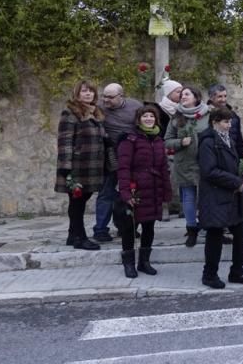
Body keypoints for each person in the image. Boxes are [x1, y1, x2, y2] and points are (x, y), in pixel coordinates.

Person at [196, 107, 243, 289]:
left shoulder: (227, 139)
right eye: (225, 122)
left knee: (240, 234)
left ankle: (237, 271)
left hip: (232, 196)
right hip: (215, 196)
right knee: (215, 236)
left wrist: (242, 174)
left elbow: (234, 162)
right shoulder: (208, 142)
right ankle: (210, 275)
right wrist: (236, 182)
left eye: (230, 122)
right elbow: (210, 171)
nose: (228, 126)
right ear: (214, 122)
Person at [56, 80, 113, 251]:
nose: (88, 94)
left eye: (91, 91)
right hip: (77, 166)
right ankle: (80, 238)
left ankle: (72, 235)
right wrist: (66, 166)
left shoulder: (96, 113)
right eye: (84, 91)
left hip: (93, 166)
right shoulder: (70, 113)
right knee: (77, 202)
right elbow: (65, 140)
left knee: (81, 200)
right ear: (77, 94)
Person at [115, 105, 172, 278]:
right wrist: (125, 192)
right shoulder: (130, 140)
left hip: (153, 189)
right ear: (138, 120)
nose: (149, 119)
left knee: (149, 227)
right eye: (145, 116)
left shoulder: (158, 140)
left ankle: (144, 262)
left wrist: (166, 192)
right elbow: (123, 167)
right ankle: (129, 263)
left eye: (152, 116)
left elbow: (163, 167)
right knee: (130, 228)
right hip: (136, 190)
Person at [93, 83, 142, 243]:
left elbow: (144, 126)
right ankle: (100, 229)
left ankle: (128, 227)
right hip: (110, 157)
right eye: (104, 96)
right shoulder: (99, 107)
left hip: (132, 156)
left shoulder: (135, 106)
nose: (106, 100)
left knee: (133, 193)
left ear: (121, 96)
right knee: (106, 193)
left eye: (110, 97)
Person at [165, 86, 211, 248]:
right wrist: (180, 142)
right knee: (189, 197)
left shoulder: (208, 115)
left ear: (196, 97)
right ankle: (191, 229)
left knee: (208, 197)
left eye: (187, 94)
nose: (183, 96)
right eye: (181, 94)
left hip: (206, 163)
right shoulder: (176, 119)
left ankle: (211, 228)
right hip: (185, 164)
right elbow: (167, 141)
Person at [207, 84, 243, 158]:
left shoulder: (233, 115)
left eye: (225, 96)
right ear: (211, 98)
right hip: (216, 156)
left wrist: (241, 158)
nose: (223, 99)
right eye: (220, 96)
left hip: (233, 155)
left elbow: (239, 140)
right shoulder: (206, 115)